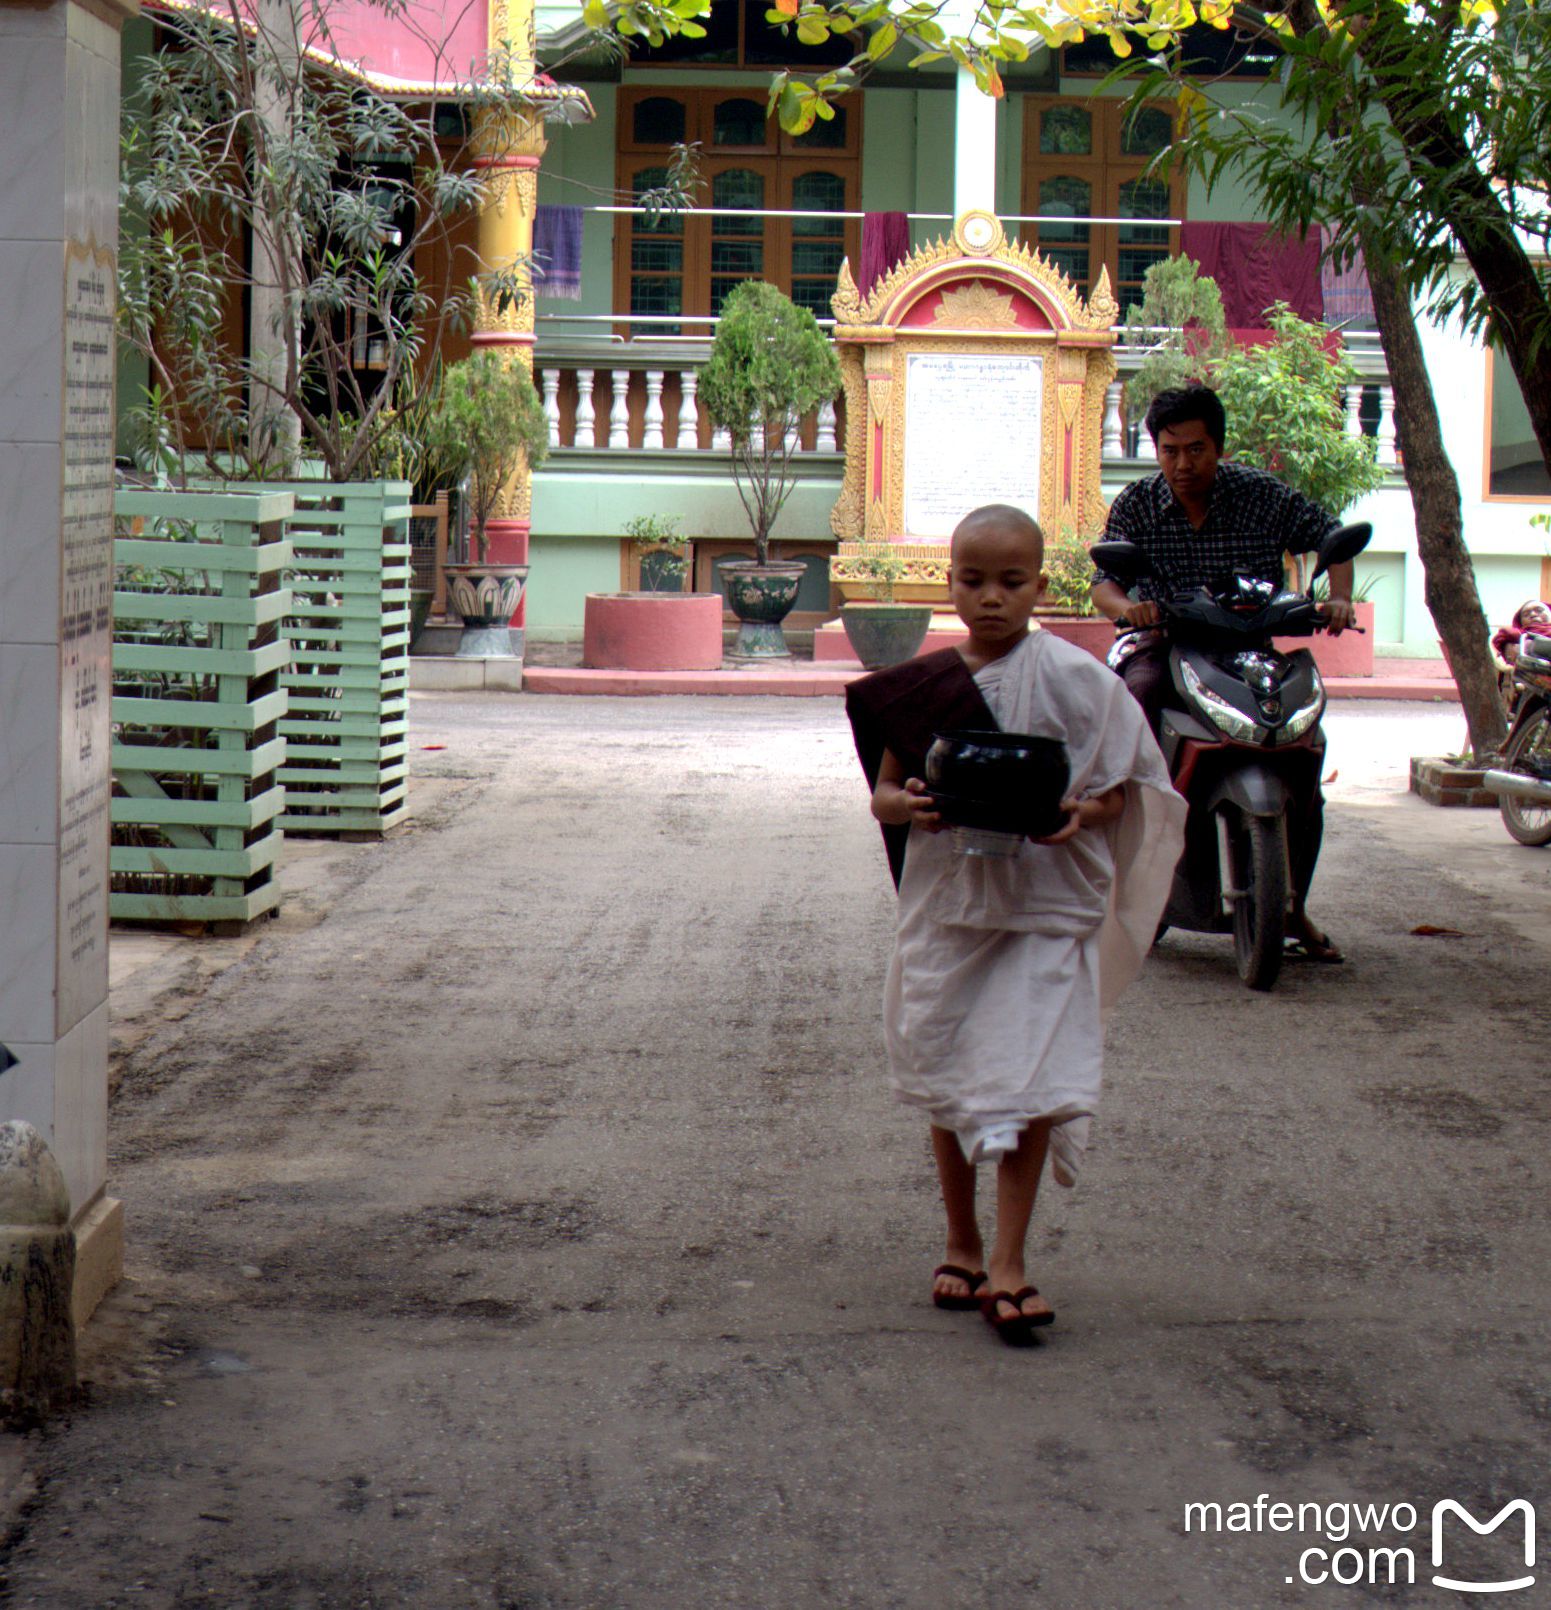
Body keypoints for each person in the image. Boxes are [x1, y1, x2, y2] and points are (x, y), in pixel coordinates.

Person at [845, 506, 1185, 1345]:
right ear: (948, 581)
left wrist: (1081, 814)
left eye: (1010, 581)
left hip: (1041, 911)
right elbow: (885, 792)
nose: (990, 598)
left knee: (1031, 1082)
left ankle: (1009, 1260)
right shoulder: (917, 687)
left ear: (1040, 583)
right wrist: (907, 805)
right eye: (972, 580)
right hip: (951, 912)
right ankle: (958, 1241)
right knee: (947, 1063)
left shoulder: (1080, 681)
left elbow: (1123, 789)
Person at [1090, 383, 1352, 964]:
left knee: (1307, 741)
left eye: (1197, 449)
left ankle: (1296, 906)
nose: (1183, 464)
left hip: (1247, 646)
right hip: (1161, 642)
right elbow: (1104, 581)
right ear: (1156, 450)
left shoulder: (1262, 495)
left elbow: (1331, 538)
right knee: (1140, 691)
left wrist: (1338, 598)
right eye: (1170, 450)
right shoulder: (1137, 503)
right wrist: (1127, 608)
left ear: (1219, 447)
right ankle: (1130, 812)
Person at [1493, 599, 1551, 668]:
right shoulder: (1514, 637)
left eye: (1539, 610)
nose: (1533, 614)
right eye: (1526, 614)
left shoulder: (1522, 642)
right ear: (1521, 622)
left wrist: (1526, 647)